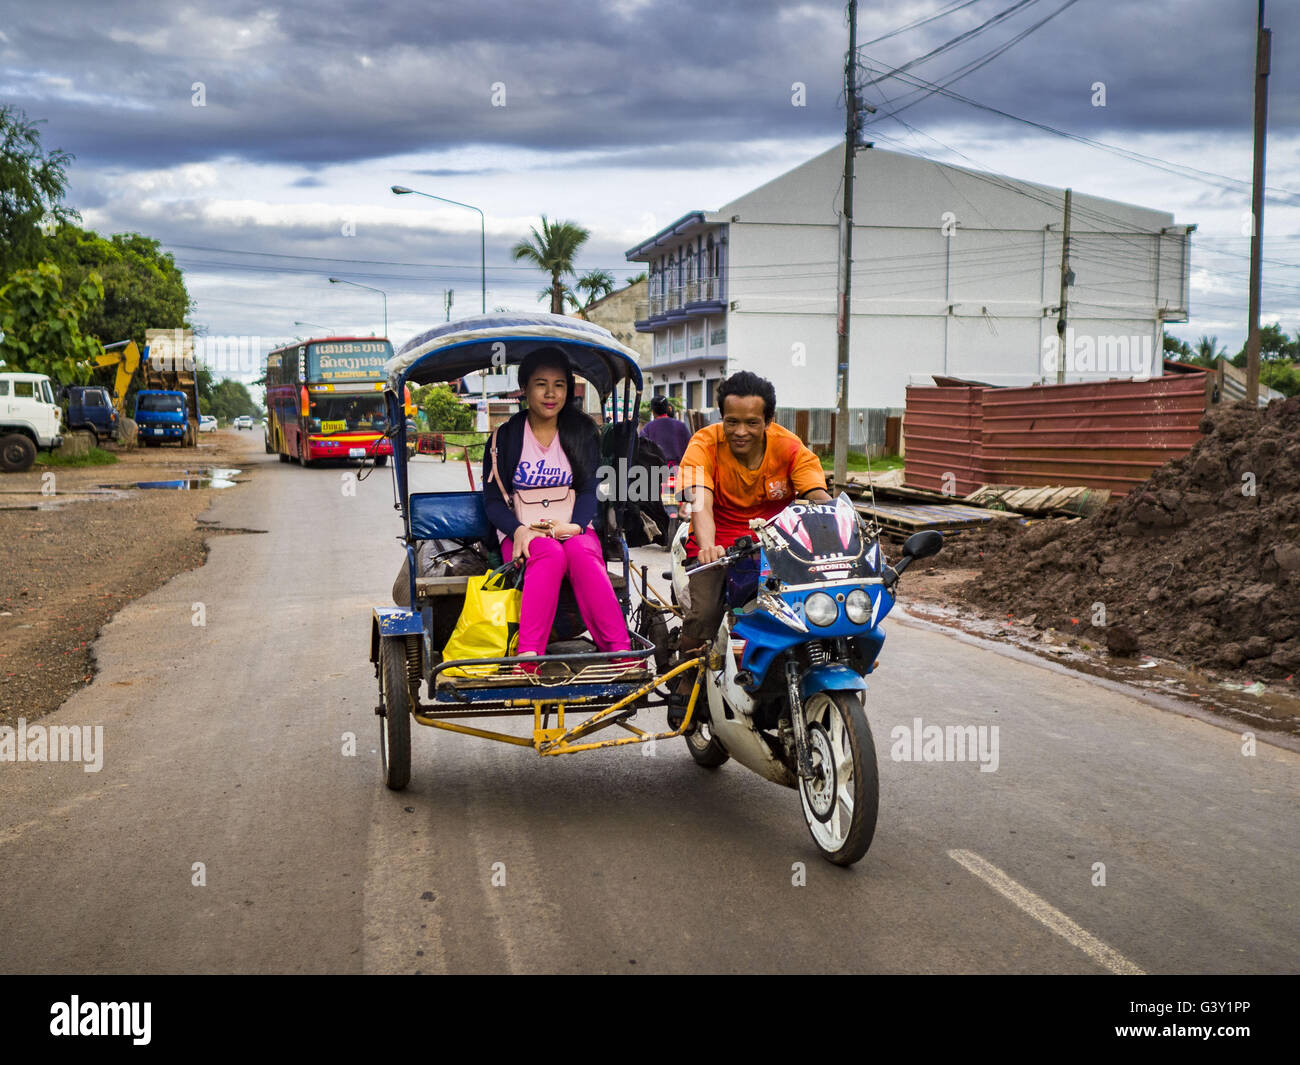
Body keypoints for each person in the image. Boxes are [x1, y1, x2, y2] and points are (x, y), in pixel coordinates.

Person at [671, 371, 831, 722]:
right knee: (706, 613)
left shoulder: (789, 447)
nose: (740, 431)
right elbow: (700, 500)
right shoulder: (705, 444)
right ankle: (685, 681)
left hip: (778, 546)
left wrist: (836, 525)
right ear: (721, 418)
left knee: (816, 608)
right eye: (732, 422)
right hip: (720, 545)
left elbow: (818, 496)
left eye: (751, 422)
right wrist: (710, 545)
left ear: (768, 421)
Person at [482, 347, 631, 664]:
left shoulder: (581, 433)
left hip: (571, 525)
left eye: (559, 384)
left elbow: (589, 490)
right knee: (548, 553)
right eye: (541, 384)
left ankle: (620, 651)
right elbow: (493, 502)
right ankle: (529, 655)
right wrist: (519, 531)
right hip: (521, 532)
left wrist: (575, 527)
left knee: (580, 550)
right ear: (524, 389)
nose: (551, 394)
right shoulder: (504, 439)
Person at [639, 394, 690, 467]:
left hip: (656, 472)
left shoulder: (647, 428)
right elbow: (690, 448)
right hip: (679, 471)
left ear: (652, 411)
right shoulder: (681, 426)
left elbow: (642, 452)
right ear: (667, 408)